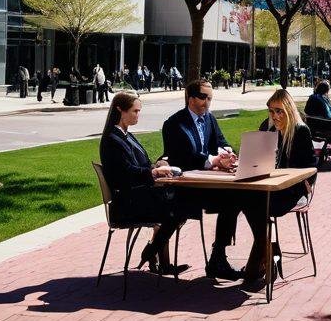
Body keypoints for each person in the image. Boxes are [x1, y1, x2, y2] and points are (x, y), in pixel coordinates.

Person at [161, 80, 264, 280]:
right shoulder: (174, 124)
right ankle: (219, 259)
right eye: (203, 98)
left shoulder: (209, 119)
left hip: (209, 184)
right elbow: (184, 157)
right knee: (232, 199)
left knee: (235, 197)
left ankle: (219, 256)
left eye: (210, 98)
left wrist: (228, 154)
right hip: (185, 190)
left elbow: (221, 142)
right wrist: (214, 160)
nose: (207, 103)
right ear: (191, 99)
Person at [99, 92, 188, 276]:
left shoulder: (125, 136)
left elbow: (140, 165)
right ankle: (152, 253)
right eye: (135, 111)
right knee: (178, 210)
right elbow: (125, 173)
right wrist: (153, 172)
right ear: (120, 110)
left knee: (180, 204)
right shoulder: (112, 139)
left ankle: (156, 255)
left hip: (137, 197)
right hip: (127, 204)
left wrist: (157, 165)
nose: (138, 115)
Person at [245, 89, 318, 285]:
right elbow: (256, 158)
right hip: (269, 188)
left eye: (279, 111)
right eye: (271, 111)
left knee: (259, 205)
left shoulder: (300, 131)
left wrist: (292, 183)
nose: (275, 116)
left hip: (293, 190)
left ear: (288, 110)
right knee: (246, 200)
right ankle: (269, 249)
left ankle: (260, 261)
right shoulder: (268, 129)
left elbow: (311, 169)